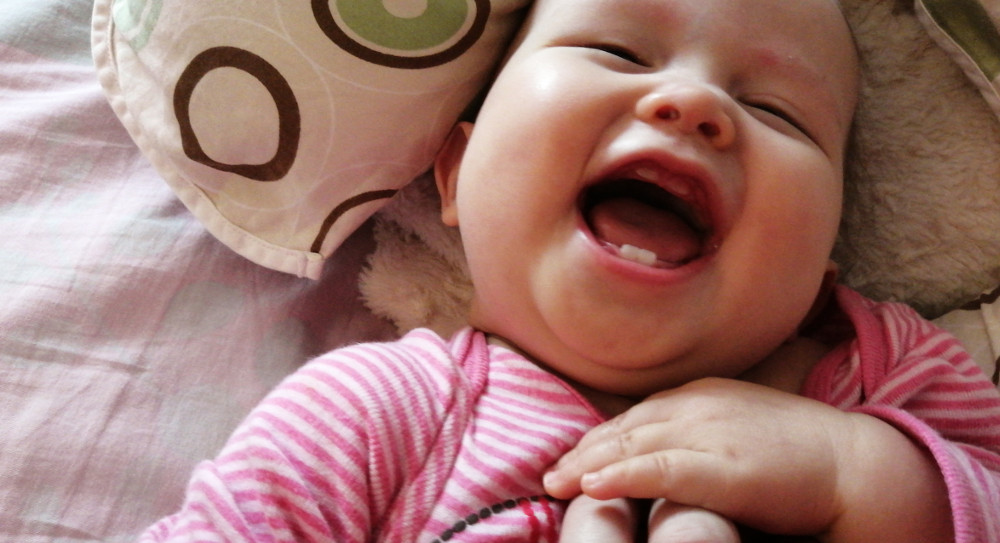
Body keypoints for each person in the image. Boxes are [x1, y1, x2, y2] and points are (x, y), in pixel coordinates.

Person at [139, 0, 1000, 541]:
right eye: (618, 52)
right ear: (457, 176)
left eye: (777, 110)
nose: (693, 105)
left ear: (821, 268)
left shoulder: (880, 376)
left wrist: (865, 481)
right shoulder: (378, 417)